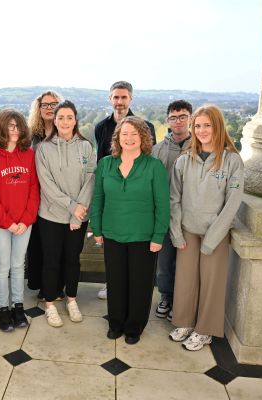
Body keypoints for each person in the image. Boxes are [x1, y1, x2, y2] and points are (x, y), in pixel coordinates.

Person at [168, 104, 244, 351]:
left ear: (218, 127)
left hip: (215, 233)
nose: (201, 130)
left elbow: (233, 203)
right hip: (188, 231)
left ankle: (205, 330)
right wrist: (176, 233)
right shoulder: (183, 161)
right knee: (186, 279)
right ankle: (184, 322)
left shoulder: (231, 161)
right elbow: (174, 199)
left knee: (212, 282)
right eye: (197, 125)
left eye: (207, 125)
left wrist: (213, 238)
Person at [90, 116, 169, 345]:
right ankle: (116, 322)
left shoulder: (154, 166)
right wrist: (97, 227)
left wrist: (157, 236)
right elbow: (98, 199)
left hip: (143, 237)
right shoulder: (105, 163)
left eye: (134, 133)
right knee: (116, 282)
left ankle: (134, 326)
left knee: (140, 284)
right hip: (112, 233)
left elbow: (162, 205)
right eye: (124, 133)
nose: (129, 138)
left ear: (143, 137)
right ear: (117, 137)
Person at [94, 81, 156, 300]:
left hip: (136, 196)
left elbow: (148, 162)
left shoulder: (144, 125)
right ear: (110, 99)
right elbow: (99, 161)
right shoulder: (101, 127)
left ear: (131, 99)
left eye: (124, 97)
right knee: (113, 251)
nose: (119, 101)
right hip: (112, 192)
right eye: (116, 97)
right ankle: (111, 284)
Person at [36, 100, 96, 327]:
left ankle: (71, 299)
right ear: (54, 119)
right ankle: (50, 304)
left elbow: (90, 181)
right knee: (51, 261)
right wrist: (72, 208)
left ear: (75, 120)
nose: (64, 121)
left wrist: (76, 215)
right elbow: (47, 185)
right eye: (60, 117)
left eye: (69, 117)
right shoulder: (43, 148)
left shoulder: (86, 147)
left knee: (72, 260)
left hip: (78, 217)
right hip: (50, 216)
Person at [0, 109, 40, 332]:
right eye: (10, 126)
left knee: (18, 265)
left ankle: (18, 305)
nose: (14, 130)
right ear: (1, 128)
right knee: (2, 266)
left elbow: (34, 188)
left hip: (24, 222)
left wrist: (25, 220)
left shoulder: (28, 154)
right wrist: (8, 222)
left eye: (18, 126)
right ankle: (3, 309)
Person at [152, 100, 193, 322]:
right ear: (168, 120)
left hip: (190, 216)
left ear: (190, 119)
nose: (178, 121)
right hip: (165, 216)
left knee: (187, 264)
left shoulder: (199, 147)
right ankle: (166, 297)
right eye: (174, 117)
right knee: (165, 263)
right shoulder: (158, 150)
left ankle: (183, 301)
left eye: (183, 116)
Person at [26, 90, 66, 300]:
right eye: (45, 105)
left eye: (54, 104)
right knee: (39, 244)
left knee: (57, 245)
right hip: (36, 196)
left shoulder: (65, 134)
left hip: (59, 197)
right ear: (39, 109)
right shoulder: (31, 135)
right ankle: (42, 284)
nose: (49, 108)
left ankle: (58, 286)